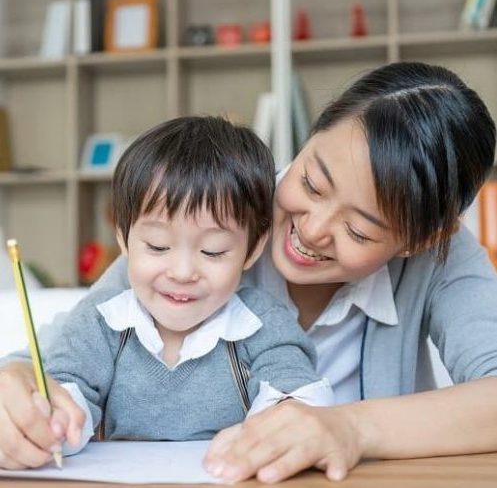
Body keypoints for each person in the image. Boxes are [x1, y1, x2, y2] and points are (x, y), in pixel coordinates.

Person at [1, 61, 497, 481]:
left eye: (361, 231)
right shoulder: (215, 217)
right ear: (309, 138)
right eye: (312, 182)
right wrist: (18, 386)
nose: (313, 229)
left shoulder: (442, 257)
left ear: (421, 240)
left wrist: (350, 427)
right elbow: (62, 352)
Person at [0, 116, 333, 468]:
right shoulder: (100, 320)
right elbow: (68, 388)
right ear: (123, 238)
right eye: (158, 246)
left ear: (252, 250)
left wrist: (285, 418)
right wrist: (50, 424)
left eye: (213, 251)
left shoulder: (263, 324)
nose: (183, 272)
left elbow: (297, 395)